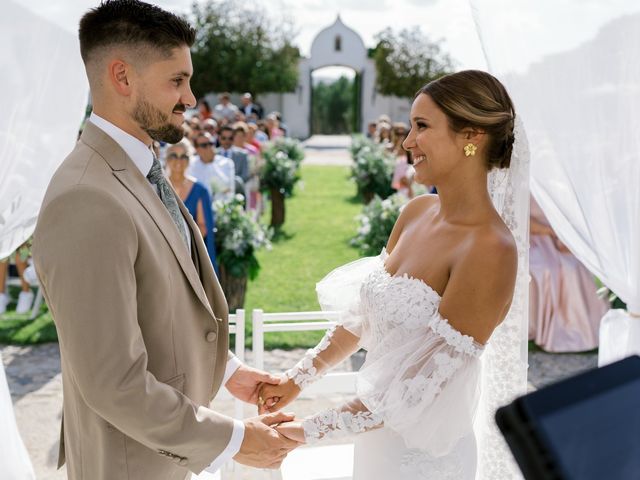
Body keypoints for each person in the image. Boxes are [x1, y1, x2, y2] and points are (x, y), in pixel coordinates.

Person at [31, 2, 299, 480]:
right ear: (122, 77)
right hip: (130, 464)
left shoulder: (141, 166)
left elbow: (161, 302)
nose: (191, 99)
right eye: (176, 81)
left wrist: (230, 369)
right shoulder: (85, 198)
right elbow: (114, 382)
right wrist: (237, 441)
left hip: (168, 454)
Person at [259, 70, 526, 479]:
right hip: (373, 440)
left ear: (471, 137)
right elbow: (363, 318)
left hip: (422, 458)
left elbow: (414, 390)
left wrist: (304, 431)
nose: (407, 142)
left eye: (422, 126)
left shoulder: (490, 249)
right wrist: (297, 379)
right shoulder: (415, 212)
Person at [528, 196, 609, 351]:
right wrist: (551, 232)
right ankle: (542, 328)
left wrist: (566, 236)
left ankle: (579, 329)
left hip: (560, 235)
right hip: (532, 236)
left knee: (573, 266)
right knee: (544, 268)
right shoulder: (521, 180)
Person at [165, 140, 219, 274]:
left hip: (190, 255)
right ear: (166, 159)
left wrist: (181, 246)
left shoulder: (199, 190)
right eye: (173, 155)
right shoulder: (155, 187)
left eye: (184, 156)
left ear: (190, 160)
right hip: (161, 251)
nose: (179, 160)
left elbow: (203, 226)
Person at [189, 132, 236, 203]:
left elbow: (227, 189)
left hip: (219, 206)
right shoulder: (190, 163)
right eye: (204, 145)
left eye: (211, 143)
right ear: (197, 149)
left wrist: (211, 163)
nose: (209, 147)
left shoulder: (227, 162)